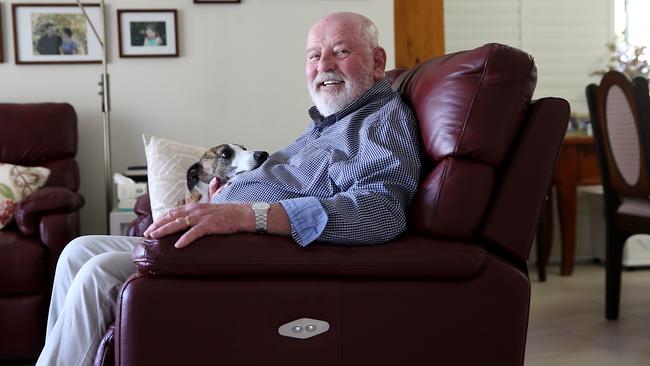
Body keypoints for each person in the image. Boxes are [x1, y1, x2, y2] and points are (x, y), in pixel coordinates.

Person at [36, 11, 421, 366]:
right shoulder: (329, 122)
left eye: (340, 51)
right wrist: (228, 196)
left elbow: (382, 211)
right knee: (77, 250)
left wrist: (244, 213)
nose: (323, 66)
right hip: (229, 236)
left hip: (256, 251)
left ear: (377, 61)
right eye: (313, 56)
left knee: (99, 274)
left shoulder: (380, 121)